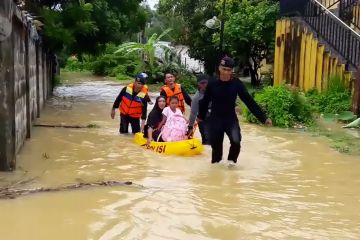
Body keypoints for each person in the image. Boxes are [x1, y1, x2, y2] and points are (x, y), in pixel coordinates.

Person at [198, 56, 272, 165]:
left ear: (232, 70)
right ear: (219, 68)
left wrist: (263, 118)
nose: (226, 72)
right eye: (224, 69)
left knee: (236, 142)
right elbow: (205, 102)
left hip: (230, 119)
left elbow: (249, 101)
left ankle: (231, 164)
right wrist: (200, 117)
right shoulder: (212, 84)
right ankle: (216, 174)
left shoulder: (236, 84)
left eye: (229, 70)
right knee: (217, 153)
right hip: (215, 120)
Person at [187, 74, 211, 145]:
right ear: (199, 84)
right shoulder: (196, 98)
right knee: (207, 142)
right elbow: (193, 113)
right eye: (202, 83)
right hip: (202, 120)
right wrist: (190, 127)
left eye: (206, 82)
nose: (205, 85)